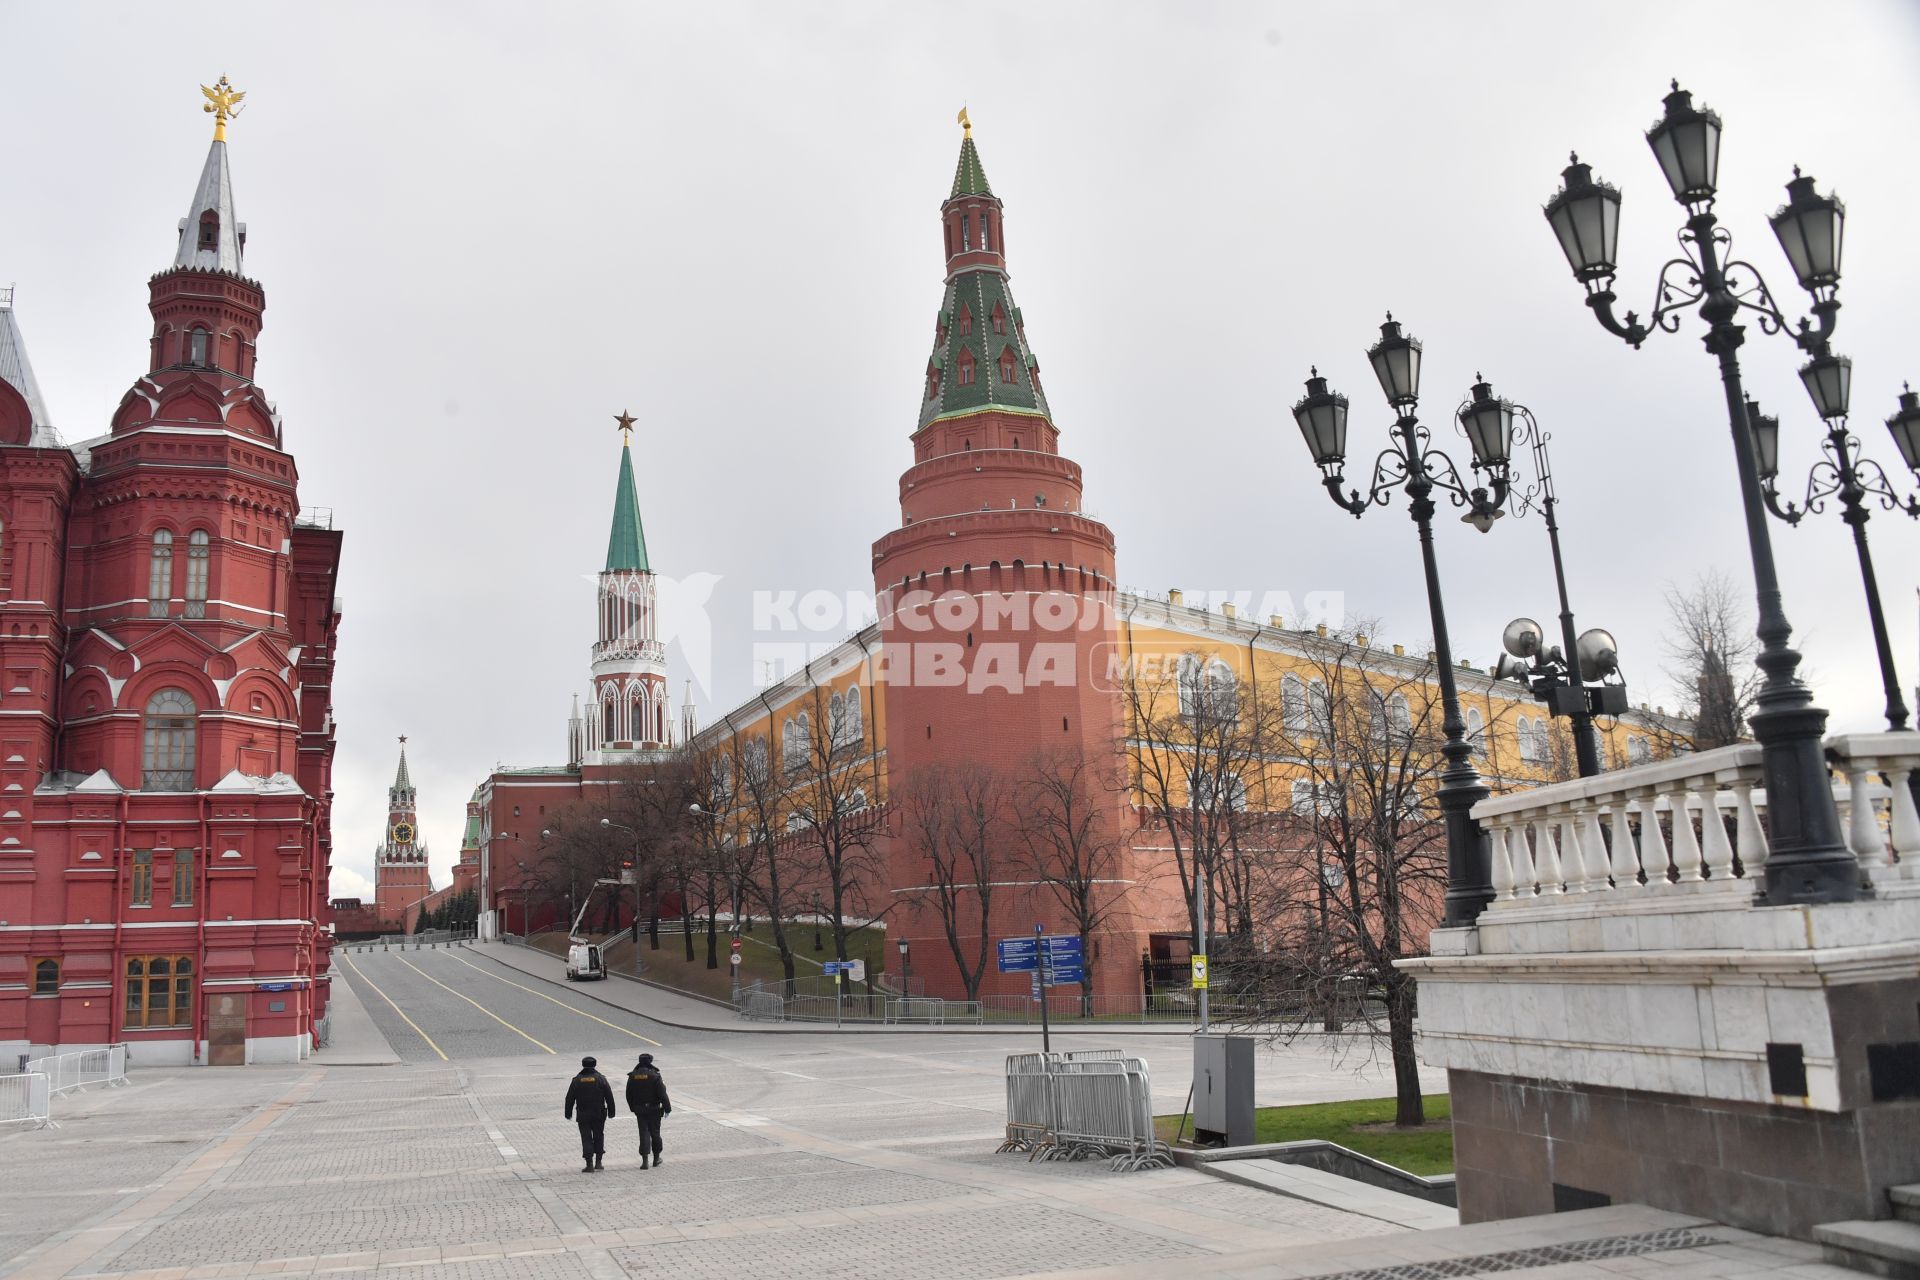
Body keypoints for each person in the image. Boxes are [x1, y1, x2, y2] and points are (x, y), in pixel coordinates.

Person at [564, 1055, 616, 1172]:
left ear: (583, 1065)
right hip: (599, 1114)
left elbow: (570, 1098)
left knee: (586, 1137)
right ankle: (598, 1162)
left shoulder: (577, 1080)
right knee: (599, 1135)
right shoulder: (601, 1079)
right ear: (595, 1065)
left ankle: (589, 1164)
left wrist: (568, 1113)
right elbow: (609, 1096)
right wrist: (612, 1112)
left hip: (583, 1114)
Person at [625, 1052, 672, 1168]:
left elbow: (628, 1094)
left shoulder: (633, 1076)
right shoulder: (655, 1076)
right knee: (655, 1133)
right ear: (650, 1062)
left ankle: (645, 1161)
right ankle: (656, 1159)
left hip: (640, 1110)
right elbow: (662, 1094)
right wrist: (667, 1108)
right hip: (654, 1109)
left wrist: (633, 1108)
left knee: (643, 1133)